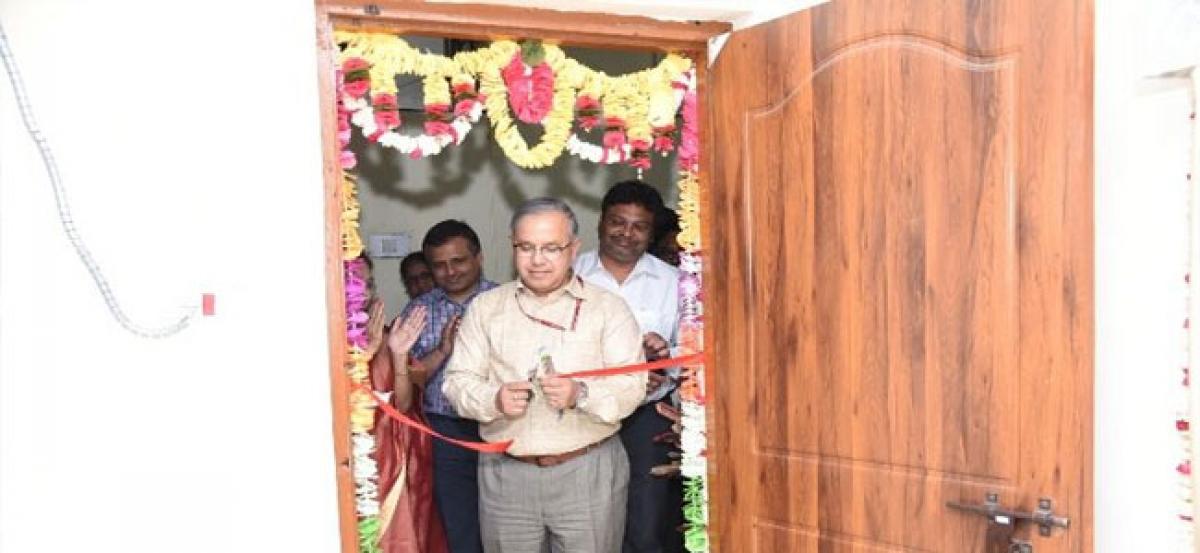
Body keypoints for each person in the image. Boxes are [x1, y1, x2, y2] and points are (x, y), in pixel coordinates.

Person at [443, 197, 646, 553]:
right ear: (513, 247)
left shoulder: (607, 309)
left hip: (587, 472)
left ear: (574, 249)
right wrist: (494, 399)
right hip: (506, 475)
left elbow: (632, 386)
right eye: (526, 247)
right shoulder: (487, 308)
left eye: (551, 248)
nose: (537, 260)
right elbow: (456, 382)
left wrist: (581, 393)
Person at [574, 180, 683, 553]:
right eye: (618, 222)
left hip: (647, 417)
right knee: (584, 521)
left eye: (639, 226)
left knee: (646, 524)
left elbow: (693, 346)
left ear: (651, 233)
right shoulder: (569, 275)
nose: (627, 233)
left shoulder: (674, 282)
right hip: (582, 413)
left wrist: (666, 356)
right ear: (601, 222)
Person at [400, 220, 497, 553]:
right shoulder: (418, 311)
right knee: (459, 527)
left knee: (507, 526)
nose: (450, 271)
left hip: (499, 427)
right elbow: (405, 384)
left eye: (459, 261)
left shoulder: (507, 302)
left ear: (478, 257)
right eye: (439, 265)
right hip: (444, 433)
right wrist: (442, 350)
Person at [368, 304, 450, 553]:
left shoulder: (386, 336)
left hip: (385, 459)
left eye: (368, 284)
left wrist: (398, 355)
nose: (366, 295)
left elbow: (402, 405)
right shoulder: (324, 333)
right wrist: (364, 356)